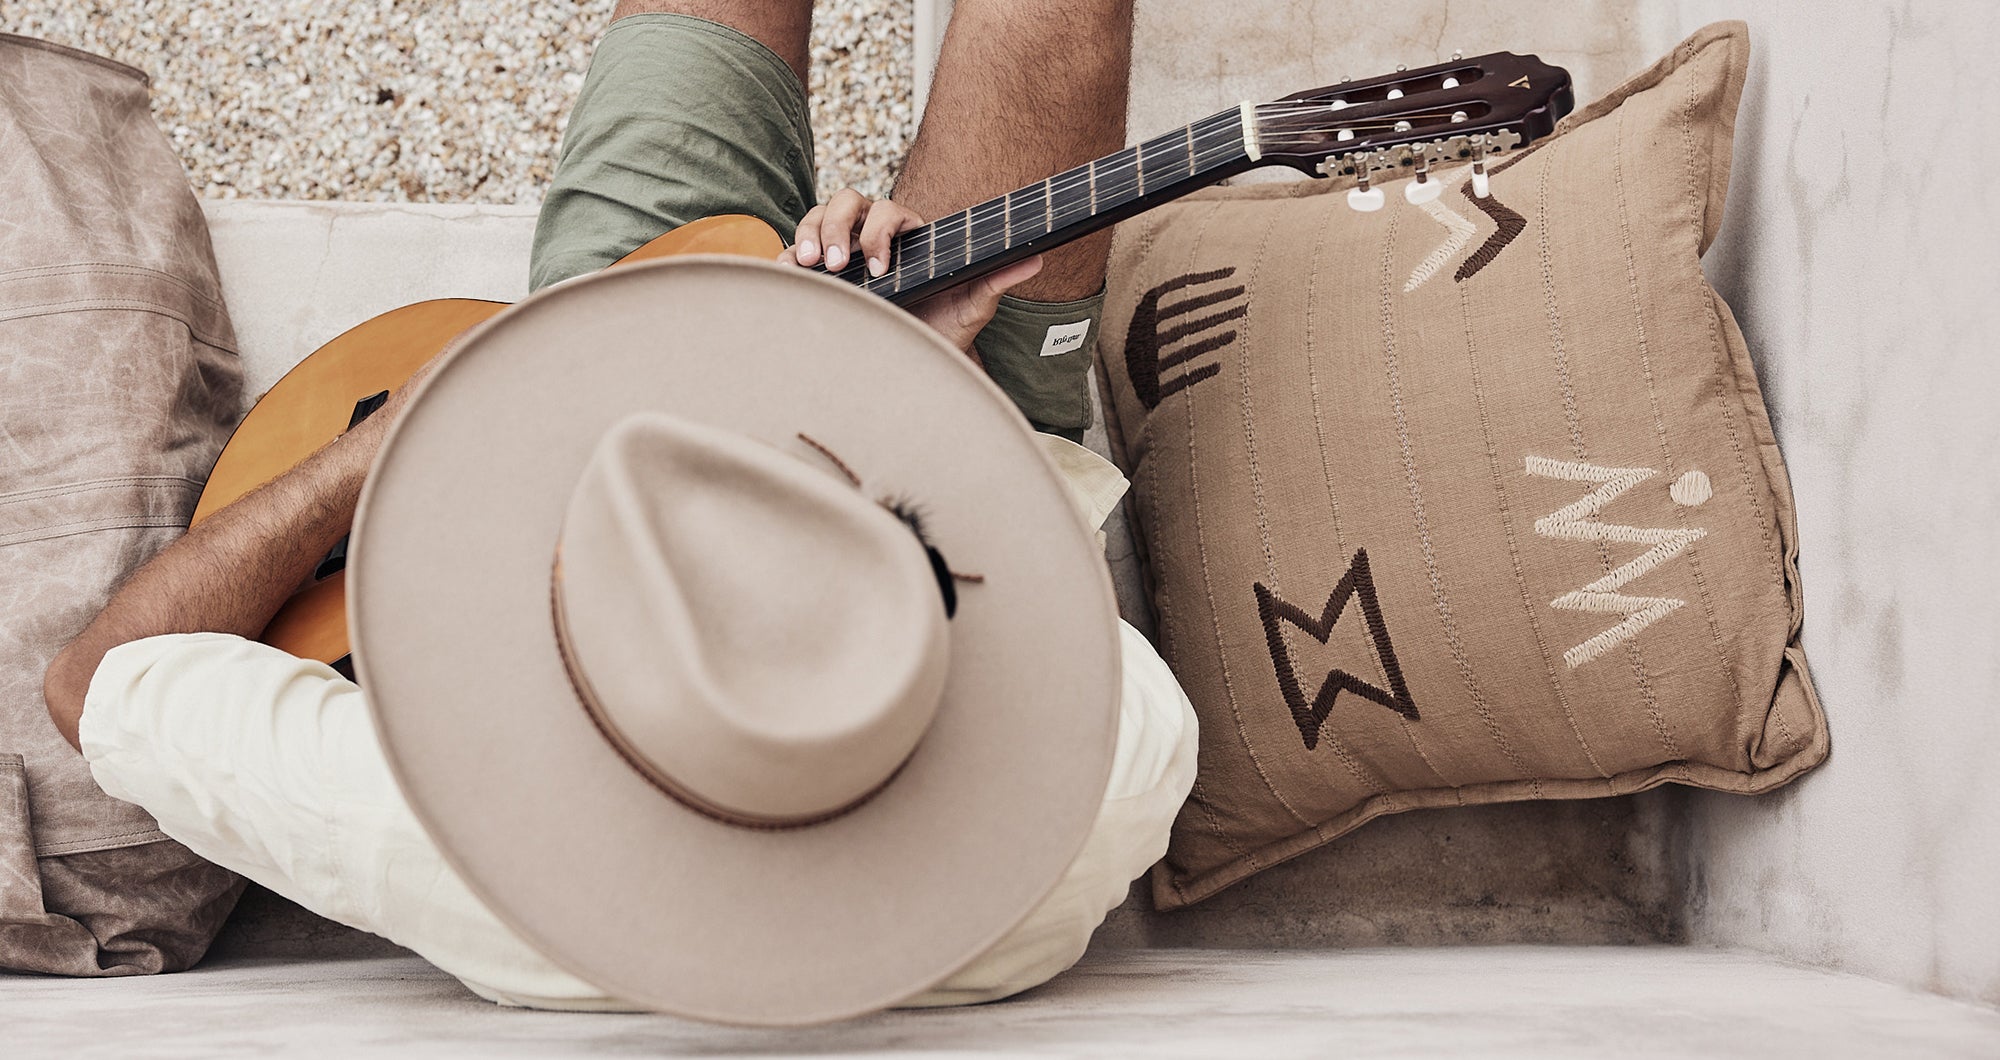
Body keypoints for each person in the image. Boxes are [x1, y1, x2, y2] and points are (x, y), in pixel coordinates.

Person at [40, 0, 1197, 1018]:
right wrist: (915, 396)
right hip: (938, 488)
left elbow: (92, 681)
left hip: (630, 358)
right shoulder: (1091, 804)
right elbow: (1051, 628)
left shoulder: (419, 831)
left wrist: (400, 439)